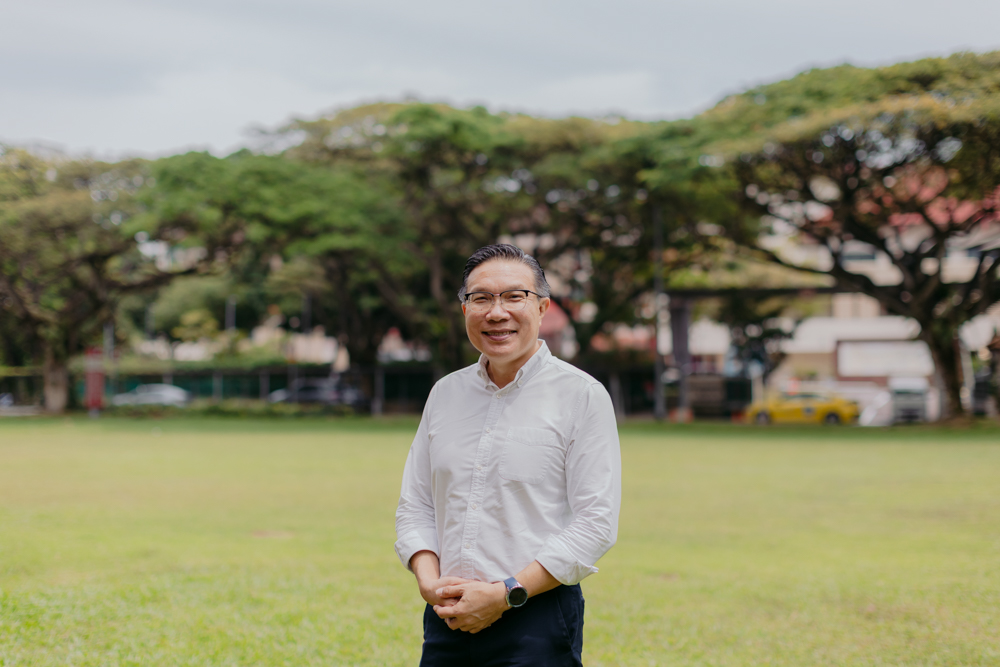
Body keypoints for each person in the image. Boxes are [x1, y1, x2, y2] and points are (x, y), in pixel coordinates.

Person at [395, 244, 621, 666]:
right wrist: (429, 582)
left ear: (543, 307)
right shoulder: (445, 394)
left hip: (536, 617)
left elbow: (596, 523)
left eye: (514, 296)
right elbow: (416, 505)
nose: (496, 313)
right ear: (465, 309)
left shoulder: (581, 395)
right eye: (481, 298)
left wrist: (505, 594)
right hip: (447, 615)